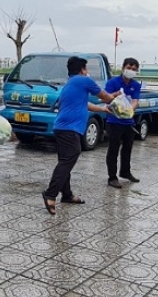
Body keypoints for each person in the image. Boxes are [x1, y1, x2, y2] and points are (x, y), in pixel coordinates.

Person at [43, 56, 119, 213]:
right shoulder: (83, 80)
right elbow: (105, 96)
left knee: (66, 161)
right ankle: (50, 194)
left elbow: (84, 104)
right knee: (69, 158)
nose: (88, 72)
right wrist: (115, 95)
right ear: (82, 69)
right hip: (69, 129)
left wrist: (103, 109)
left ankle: (67, 194)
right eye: (86, 69)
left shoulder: (71, 83)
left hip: (62, 128)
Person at [104, 58, 142, 188]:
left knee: (128, 148)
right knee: (113, 149)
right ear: (123, 68)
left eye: (134, 69)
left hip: (128, 121)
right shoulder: (113, 82)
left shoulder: (136, 85)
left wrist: (130, 109)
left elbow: (135, 100)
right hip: (114, 121)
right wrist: (116, 95)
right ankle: (112, 177)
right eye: (129, 68)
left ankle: (125, 172)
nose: (131, 71)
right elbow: (107, 99)